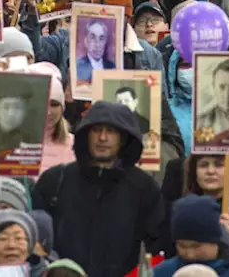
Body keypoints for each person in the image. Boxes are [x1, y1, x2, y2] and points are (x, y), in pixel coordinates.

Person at [32, 101, 166, 277]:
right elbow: (33, 236)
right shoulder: (56, 180)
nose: (102, 138)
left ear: (123, 138)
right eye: (96, 130)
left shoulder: (143, 188)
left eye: (111, 131)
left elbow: (158, 248)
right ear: (86, 135)